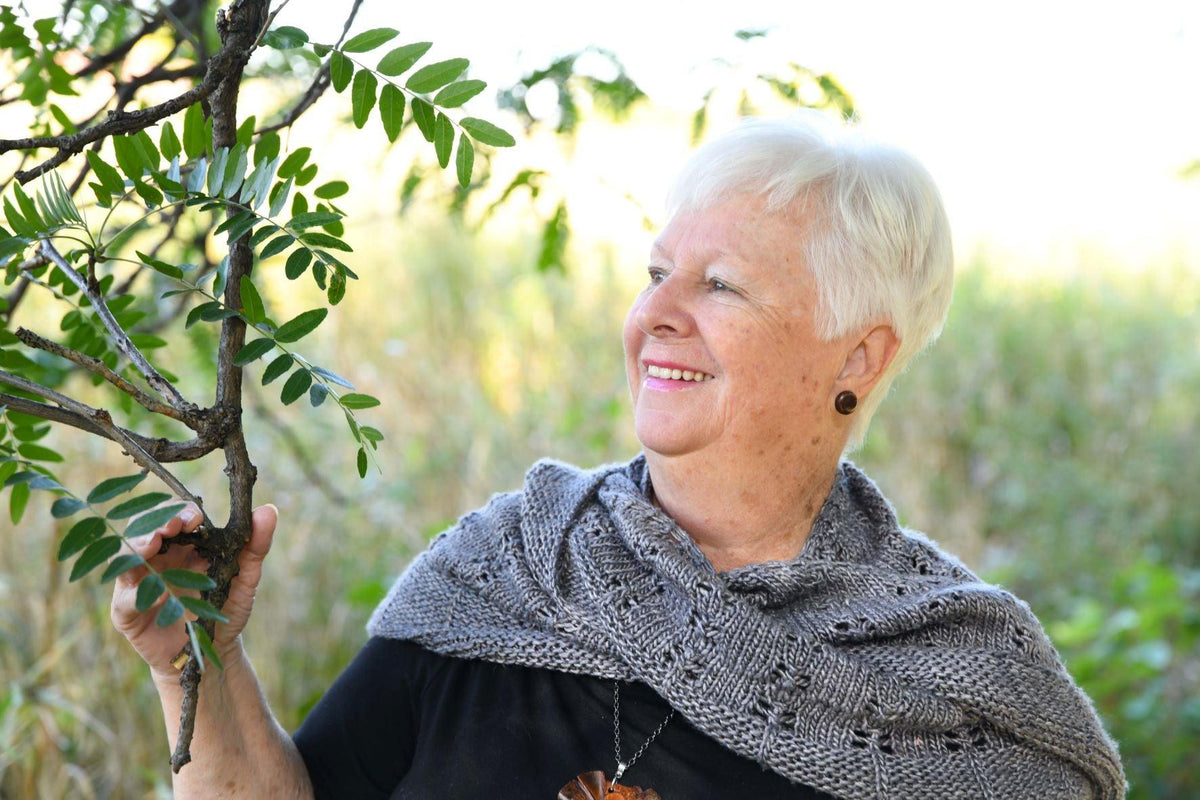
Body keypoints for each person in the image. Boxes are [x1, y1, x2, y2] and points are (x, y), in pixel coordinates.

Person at [111, 113, 1125, 799]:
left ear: (858, 351)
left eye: (720, 285)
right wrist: (203, 655)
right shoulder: (506, 566)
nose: (655, 317)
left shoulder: (959, 675)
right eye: (655, 273)